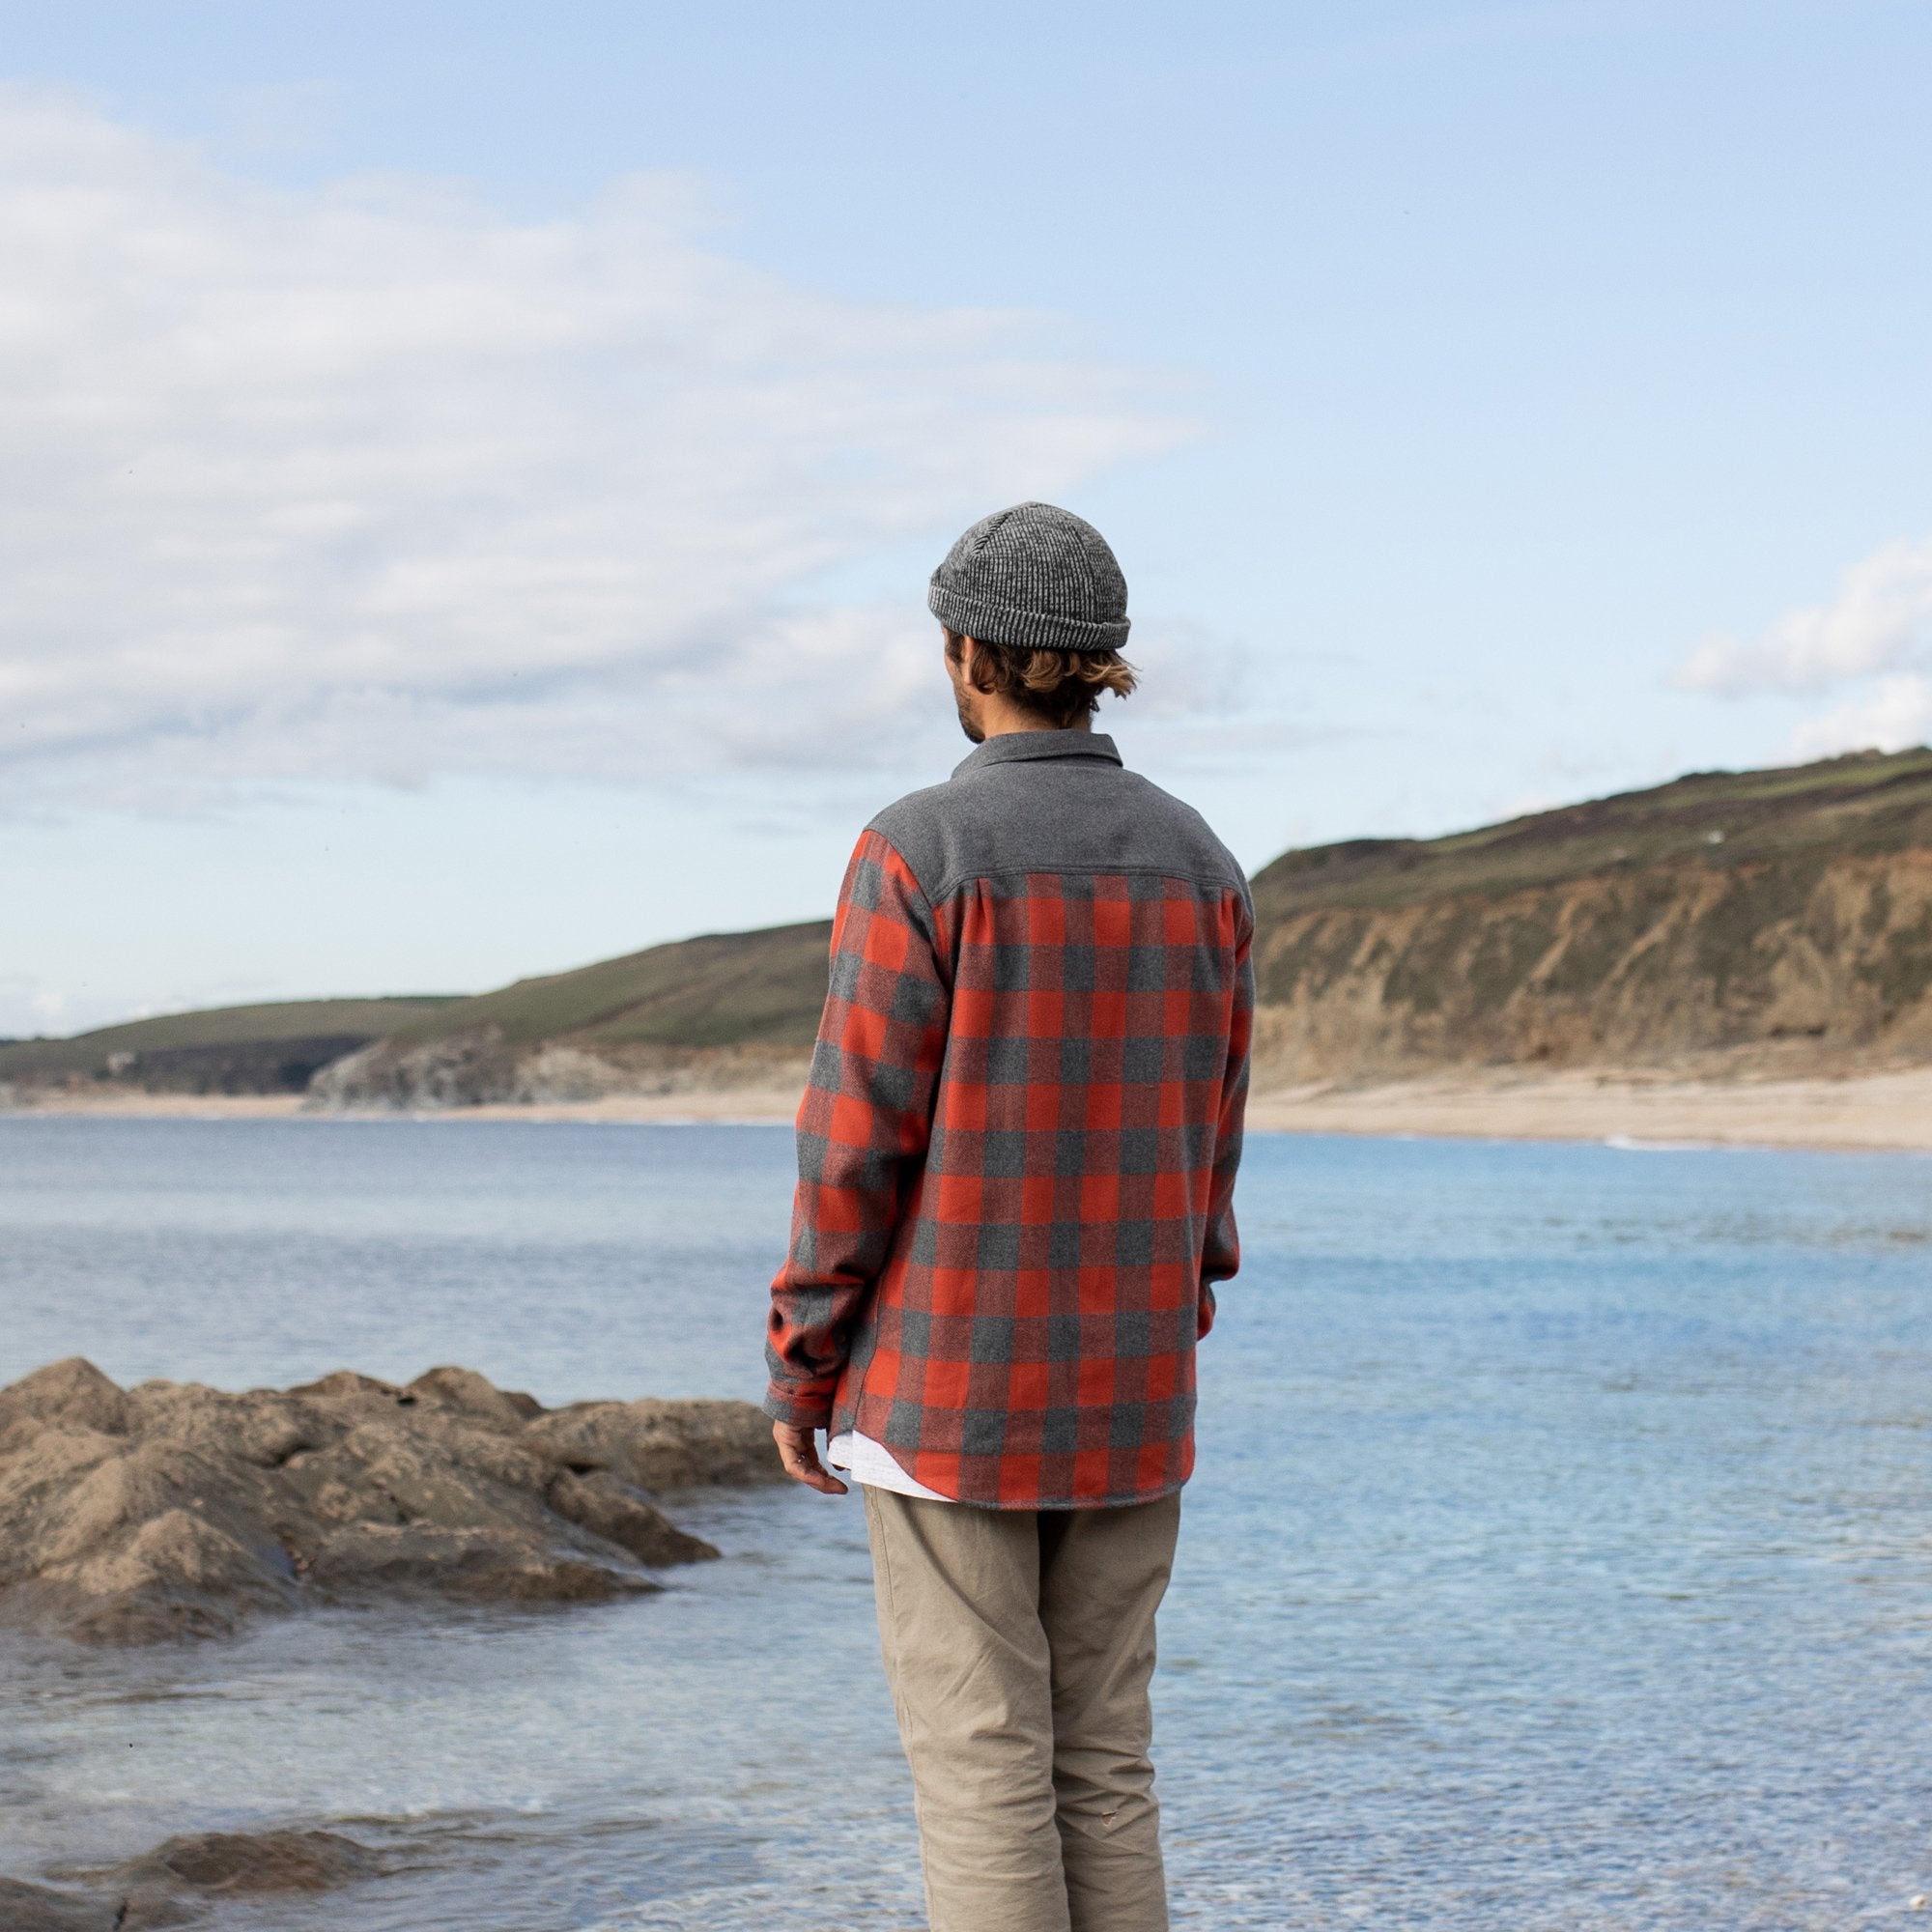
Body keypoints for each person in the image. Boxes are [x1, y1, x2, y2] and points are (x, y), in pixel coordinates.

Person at [763, 501, 1253, 1932]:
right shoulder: (1202, 858)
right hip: (1133, 1387)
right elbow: (1211, 1138)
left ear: (968, 652)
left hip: (949, 1394)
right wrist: (1180, 1311)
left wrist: (806, 1361)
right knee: (1105, 1761)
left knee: (981, 1765)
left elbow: (852, 1139)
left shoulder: (920, 847)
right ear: (1096, 665)